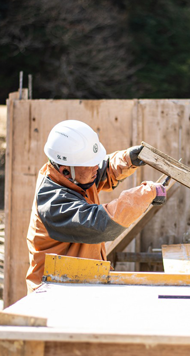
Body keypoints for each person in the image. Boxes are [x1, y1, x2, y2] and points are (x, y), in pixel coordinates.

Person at [22, 119, 168, 286]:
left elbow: (104, 168)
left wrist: (128, 159)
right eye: (90, 165)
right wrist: (146, 194)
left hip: (77, 285)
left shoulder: (75, 176)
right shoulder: (53, 203)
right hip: (52, 294)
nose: (96, 168)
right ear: (65, 170)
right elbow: (101, 225)